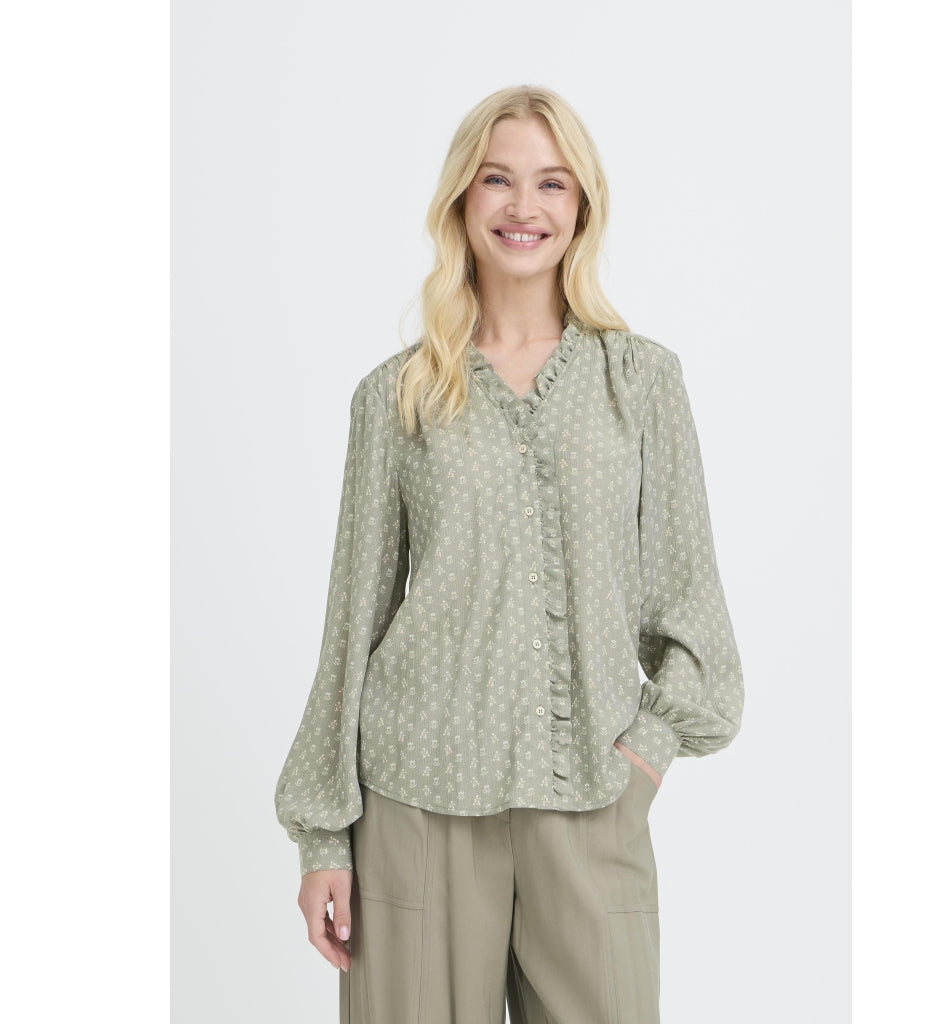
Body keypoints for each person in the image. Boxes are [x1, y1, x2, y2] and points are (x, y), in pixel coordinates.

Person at [274, 83, 744, 1024]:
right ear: (461, 198)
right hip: (417, 805)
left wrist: (643, 763)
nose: (523, 206)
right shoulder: (396, 397)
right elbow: (352, 624)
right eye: (497, 179)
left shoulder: (642, 383)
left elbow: (692, 615)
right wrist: (325, 835)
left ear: (583, 207)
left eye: (552, 183)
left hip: (593, 804)